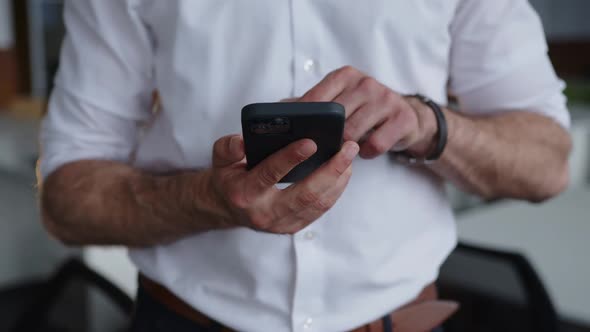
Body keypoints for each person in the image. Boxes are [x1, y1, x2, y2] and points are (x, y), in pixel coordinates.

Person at [39, 1, 572, 331]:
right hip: (186, 319)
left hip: (400, 322)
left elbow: (547, 164)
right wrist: (207, 199)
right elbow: (66, 200)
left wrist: (424, 123)